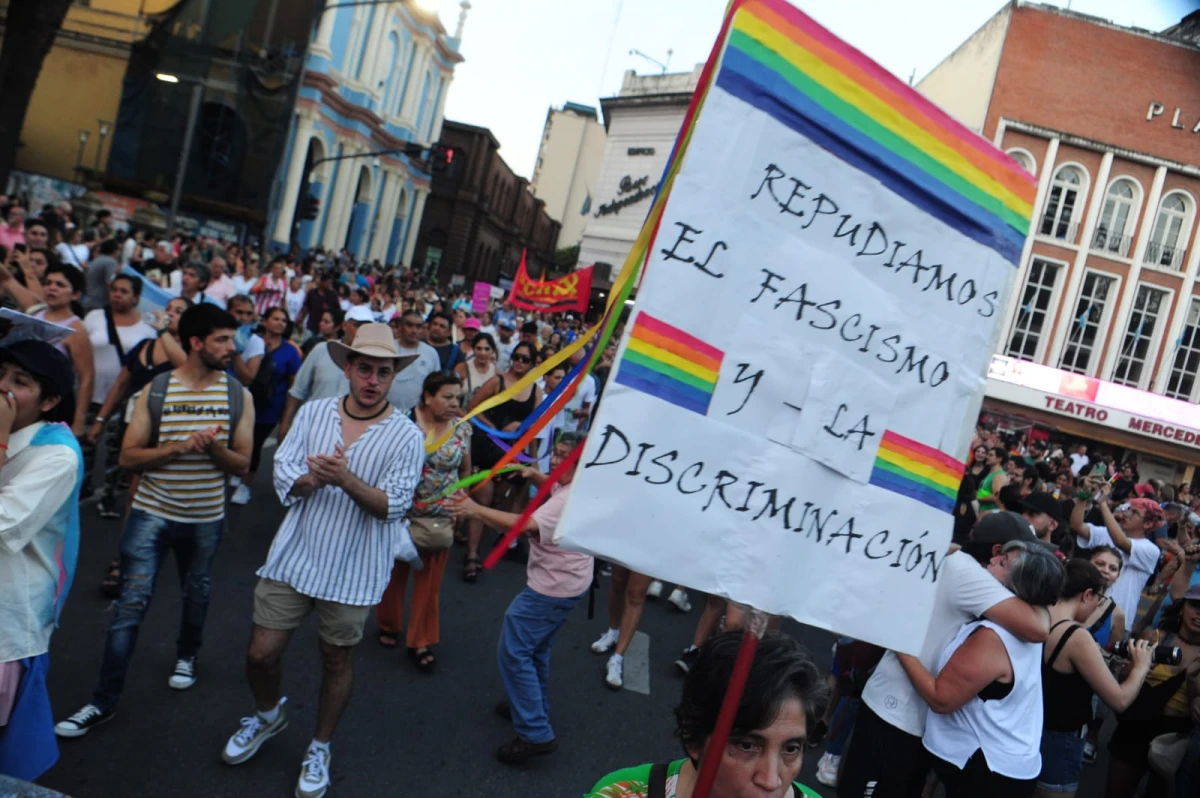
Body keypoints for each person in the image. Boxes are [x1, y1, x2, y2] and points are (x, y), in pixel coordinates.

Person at [220, 322, 423, 798]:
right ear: (348, 368)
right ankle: (269, 715)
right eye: (365, 369)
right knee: (260, 652)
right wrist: (313, 481)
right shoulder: (314, 414)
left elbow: (394, 506)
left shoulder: (406, 436)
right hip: (294, 558)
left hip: (354, 570)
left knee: (336, 659)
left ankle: (320, 745)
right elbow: (284, 475)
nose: (373, 380)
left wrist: (344, 479)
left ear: (394, 376)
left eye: (383, 372)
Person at [55, 304, 254, 738]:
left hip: (205, 518)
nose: (232, 348)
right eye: (222, 339)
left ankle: (187, 653)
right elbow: (129, 457)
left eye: (232, 339)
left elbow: (241, 465)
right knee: (129, 606)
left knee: (196, 590)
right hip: (151, 514)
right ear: (196, 342)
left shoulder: (239, 396)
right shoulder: (158, 390)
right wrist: (179, 447)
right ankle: (102, 702)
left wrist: (212, 449)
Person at [838, 511, 1053, 797]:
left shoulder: (963, 564)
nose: (1027, 566)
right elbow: (1039, 628)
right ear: (996, 552)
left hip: (909, 713)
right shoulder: (970, 576)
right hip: (898, 713)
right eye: (1015, 560)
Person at [449, 432, 592, 764]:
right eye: (554, 454)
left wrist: (474, 508)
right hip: (569, 582)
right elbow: (555, 487)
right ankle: (529, 705)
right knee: (534, 650)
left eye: (563, 458)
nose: (555, 461)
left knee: (514, 651)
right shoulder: (578, 486)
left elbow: (526, 525)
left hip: (552, 588)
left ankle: (535, 732)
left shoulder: (567, 500)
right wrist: (533, 474)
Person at [896, 542, 1064, 797]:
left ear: (1018, 587)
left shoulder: (994, 638)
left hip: (989, 771)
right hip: (1004, 763)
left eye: (1004, 562)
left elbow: (941, 698)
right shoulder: (1029, 622)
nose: (993, 560)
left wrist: (899, 644)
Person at [584, 630, 827, 798]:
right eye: (746, 745)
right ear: (692, 737)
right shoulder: (623, 792)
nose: (771, 780)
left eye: (791, 749)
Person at [0, 341, 84, 781]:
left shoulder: (57, 455)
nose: (2, 388)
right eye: (1, 373)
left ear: (49, 401)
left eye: (20, 382)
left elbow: (4, 523)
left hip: (8, 623)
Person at [376, 371, 471, 671]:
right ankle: (389, 623)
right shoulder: (404, 422)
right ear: (428, 397)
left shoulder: (462, 427)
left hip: (441, 518)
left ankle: (421, 639)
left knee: (430, 584)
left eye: (458, 397)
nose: (454, 403)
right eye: (447, 397)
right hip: (403, 516)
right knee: (395, 574)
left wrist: (461, 505)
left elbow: (465, 470)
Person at [1035, 559, 1153, 798]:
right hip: (1061, 741)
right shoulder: (1076, 636)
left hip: (1031, 727)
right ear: (1087, 594)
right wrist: (1141, 666)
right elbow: (1119, 700)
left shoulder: (1037, 615)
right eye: (1099, 600)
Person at [88, 297, 189, 522]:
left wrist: (163, 331)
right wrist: (100, 419)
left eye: (179, 311)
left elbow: (184, 367)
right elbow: (121, 384)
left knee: (140, 492)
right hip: (130, 421)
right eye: (169, 309)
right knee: (127, 478)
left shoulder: (190, 353)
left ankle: (133, 546)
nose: (171, 314)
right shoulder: (144, 345)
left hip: (162, 430)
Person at [1104, 583, 1200, 798]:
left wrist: (1193, 683)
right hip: (1136, 728)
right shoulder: (1154, 637)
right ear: (1183, 606)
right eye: (1195, 605)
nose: (1199, 613)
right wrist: (1138, 667)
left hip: (1174, 738)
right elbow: (1123, 681)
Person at [462, 340, 543, 582]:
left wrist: (533, 459)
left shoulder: (535, 391)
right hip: (487, 449)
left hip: (513, 455)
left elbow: (533, 427)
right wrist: (494, 429)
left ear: (532, 363)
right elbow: (472, 407)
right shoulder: (497, 382)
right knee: (483, 498)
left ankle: (476, 545)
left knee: (496, 500)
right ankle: (472, 556)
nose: (519, 362)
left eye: (525, 359)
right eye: (516, 357)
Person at [0, 260, 94, 437]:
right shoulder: (35, 311)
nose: (52, 288)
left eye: (60, 285)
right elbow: (7, 279)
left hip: (49, 406)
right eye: (48, 283)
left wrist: (79, 422)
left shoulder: (77, 330)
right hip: (15, 394)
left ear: (75, 294)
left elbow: (87, 377)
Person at [1070, 483, 1163, 634]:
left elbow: (1120, 542)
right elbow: (1076, 525)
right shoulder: (1107, 533)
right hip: (1085, 611)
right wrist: (1085, 494)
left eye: (1134, 513)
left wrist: (1104, 504)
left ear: (1148, 524)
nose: (1126, 514)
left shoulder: (1151, 550)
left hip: (1116, 621)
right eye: (1128, 509)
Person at [232, 306, 301, 506]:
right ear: (264, 321)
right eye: (276, 318)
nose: (280, 323)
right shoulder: (250, 341)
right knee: (238, 439)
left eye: (284, 320)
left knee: (254, 443)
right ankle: (237, 470)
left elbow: (293, 385)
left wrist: (287, 416)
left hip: (270, 407)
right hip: (244, 400)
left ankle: (246, 484)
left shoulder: (290, 351)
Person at [279, 305, 369, 442]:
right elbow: (298, 390)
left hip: (344, 435)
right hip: (309, 426)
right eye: (358, 325)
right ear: (345, 326)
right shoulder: (321, 350)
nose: (362, 331)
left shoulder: (370, 362)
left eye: (367, 327)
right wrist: (285, 424)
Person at [83, 274, 157, 408]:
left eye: (124, 291)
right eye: (114, 289)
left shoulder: (148, 326)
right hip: (87, 397)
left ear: (136, 298)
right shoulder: (94, 317)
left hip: (123, 402)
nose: (117, 294)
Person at [386, 308, 440, 411]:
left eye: (418, 327)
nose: (414, 330)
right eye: (409, 325)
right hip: (385, 410)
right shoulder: (388, 347)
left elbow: (435, 387)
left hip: (418, 414)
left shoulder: (431, 353)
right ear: (400, 327)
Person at [455, 331, 498, 406]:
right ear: (473, 349)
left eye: (487, 349)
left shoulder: (497, 372)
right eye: (479, 348)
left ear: (493, 350)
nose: (482, 353)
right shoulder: (462, 368)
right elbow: (453, 397)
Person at [83, 238, 121, 310]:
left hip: (90, 299)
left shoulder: (97, 260)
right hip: (100, 302)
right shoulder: (110, 262)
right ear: (115, 251)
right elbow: (109, 282)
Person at [977, 446, 1011, 514]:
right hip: (983, 512)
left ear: (999, 459)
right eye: (988, 454)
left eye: (991, 455)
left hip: (989, 514)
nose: (987, 457)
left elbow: (996, 497)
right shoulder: (992, 473)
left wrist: (977, 497)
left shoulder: (999, 475)